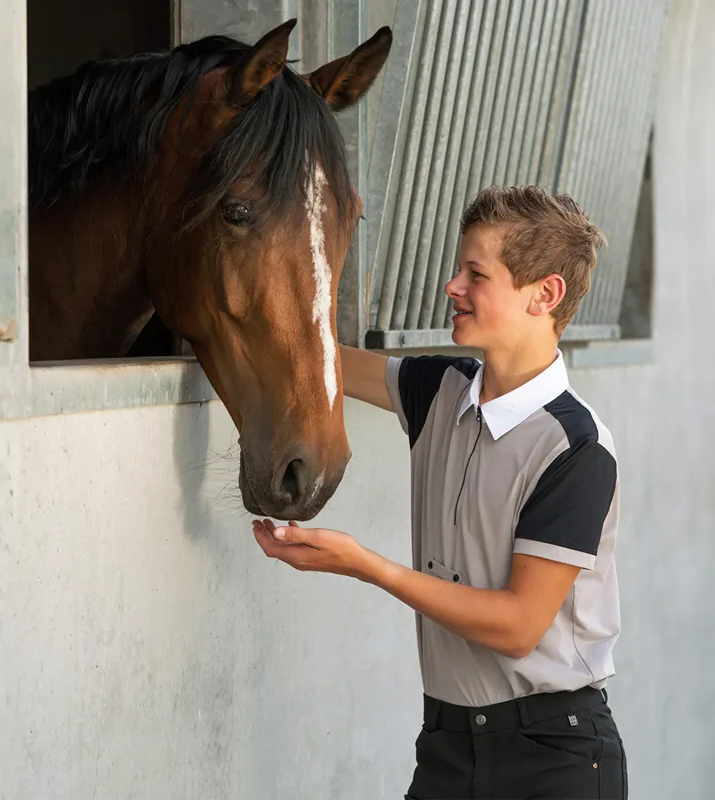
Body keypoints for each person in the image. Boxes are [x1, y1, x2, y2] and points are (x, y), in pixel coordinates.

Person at [252, 185, 627, 799]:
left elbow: (517, 625)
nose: (452, 286)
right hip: (447, 747)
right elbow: (315, 359)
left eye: (476, 274)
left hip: (552, 760)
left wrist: (367, 567)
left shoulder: (577, 449)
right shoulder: (439, 389)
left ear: (545, 294)